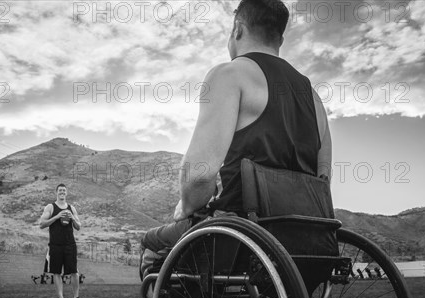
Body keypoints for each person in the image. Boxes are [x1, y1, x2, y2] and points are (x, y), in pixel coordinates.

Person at [140, 0, 332, 275]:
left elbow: (199, 175)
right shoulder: (313, 98)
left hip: (241, 235)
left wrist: (185, 205)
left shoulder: (230, 74)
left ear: (237, 30)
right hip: (306, 237)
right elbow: (323, 178)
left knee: (151, 246)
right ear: (280, 38)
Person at [39, 183, 82, 298]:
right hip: (55, 245)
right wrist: (57, 216)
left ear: (66, 193)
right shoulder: (50, 207)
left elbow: (78, 226)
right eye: (60, 190)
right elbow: (42, 224)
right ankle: (61, 297)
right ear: (56, 192)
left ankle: (76, 297)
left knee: (74, 271)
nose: (62, 192)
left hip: (70, 244)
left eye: (64, 190)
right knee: (56, 271)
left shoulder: (71, 208)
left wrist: (72, 218)